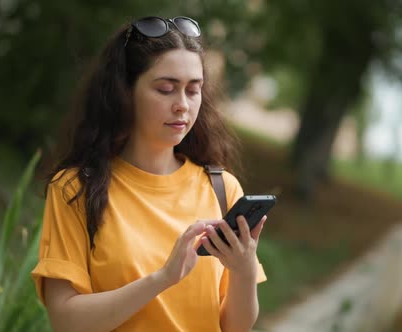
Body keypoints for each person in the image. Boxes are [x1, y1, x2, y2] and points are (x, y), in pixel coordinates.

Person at [31, 16, 268, 332]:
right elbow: (66, 321)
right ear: (125, 92)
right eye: (166, 89)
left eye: (193, 90)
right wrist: (162, 279)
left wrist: (244, 271)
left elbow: (235, 327)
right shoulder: (76, 188)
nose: (182, 105)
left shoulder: (221, 188)